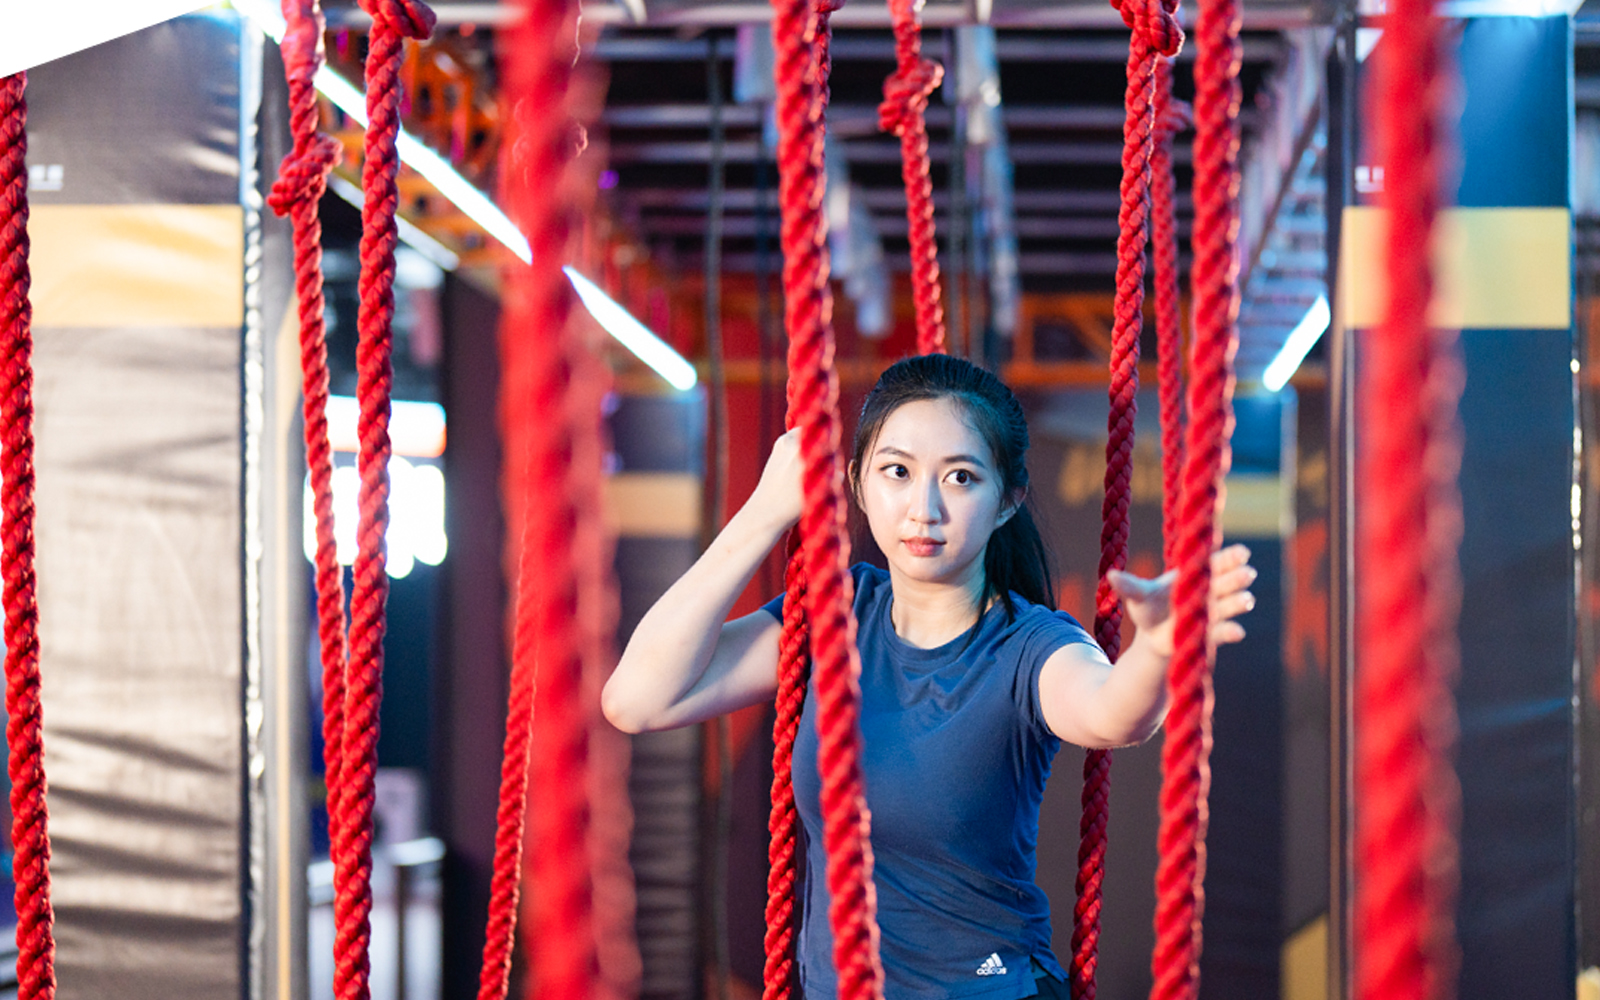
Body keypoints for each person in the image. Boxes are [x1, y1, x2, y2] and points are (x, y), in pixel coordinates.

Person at [602, 354, 1255, 1000]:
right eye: (897, 472)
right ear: (858, 483)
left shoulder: (1030, 645)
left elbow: (1114, 711)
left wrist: (1162, 650)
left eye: (962, 478)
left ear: (1007, 501)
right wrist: (765, 512)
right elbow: (637, 700)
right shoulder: (836, 617)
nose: (924, 508)